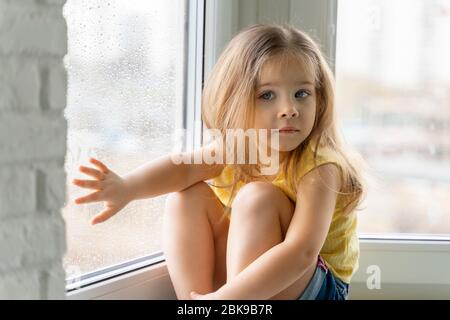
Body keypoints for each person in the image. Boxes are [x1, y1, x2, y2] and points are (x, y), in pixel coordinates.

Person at [72, 23, 368, 300]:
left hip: (316, 285)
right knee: (187, 196)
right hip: (256, 286)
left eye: (301, 93)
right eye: (267, 95)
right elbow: (183, 168)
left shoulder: (321, 166)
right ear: (236, 101)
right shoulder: (241, 147)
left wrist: (228, 298)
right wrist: (127, 188)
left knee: (258, 197)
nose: (289, 109)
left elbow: (300, 253)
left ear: (321, 99)